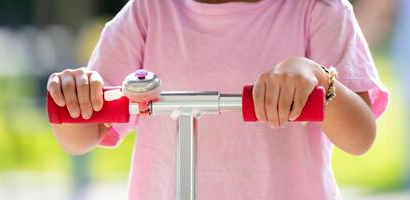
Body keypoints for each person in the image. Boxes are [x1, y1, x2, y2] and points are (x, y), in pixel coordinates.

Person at [46, 0, 389, 199]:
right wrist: (76, 94)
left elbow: (361, 137)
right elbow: (81, 135)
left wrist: (317, 76)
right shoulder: (148, 12)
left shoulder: (317, 8)